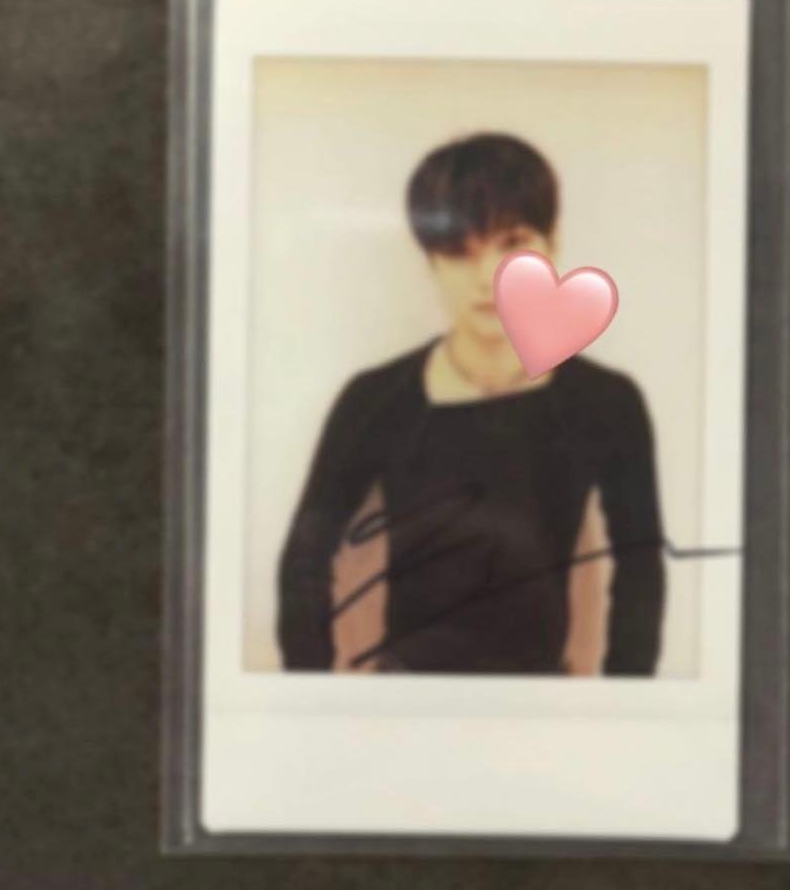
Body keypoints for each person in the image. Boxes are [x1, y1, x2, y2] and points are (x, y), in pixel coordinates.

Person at [278, 132, 666, 675]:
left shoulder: (605, 402)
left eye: (512, 242)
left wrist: (624, 708)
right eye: (459, 251)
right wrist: (312, 701)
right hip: (404, 696)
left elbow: (641, 570)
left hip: (542, 697)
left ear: (551, 244)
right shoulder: (376, 399)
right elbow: (304, 562)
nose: (488, 278)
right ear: (430, 262)